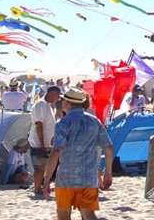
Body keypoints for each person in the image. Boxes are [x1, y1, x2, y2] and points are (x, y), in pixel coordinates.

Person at [42, 86, 113, 220]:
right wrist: (108, 173)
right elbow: (108, 147)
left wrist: (46, 179)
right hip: (88, 178)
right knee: (88, 215)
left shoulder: (62, 123)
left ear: (67, 103)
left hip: (65, 179)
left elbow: (57, 151)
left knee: (63, 215)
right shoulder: (94, 121)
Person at [29, 84, 60, 200]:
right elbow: (38, 124)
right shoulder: (41, 104)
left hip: (47, 142)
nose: (57, 98)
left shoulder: (49, 106)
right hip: (39, 142)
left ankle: (40, 187)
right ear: (51, 93)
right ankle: (37, 189)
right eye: (57, 95)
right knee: (39, 167)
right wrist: (41, 142)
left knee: (46, 166)